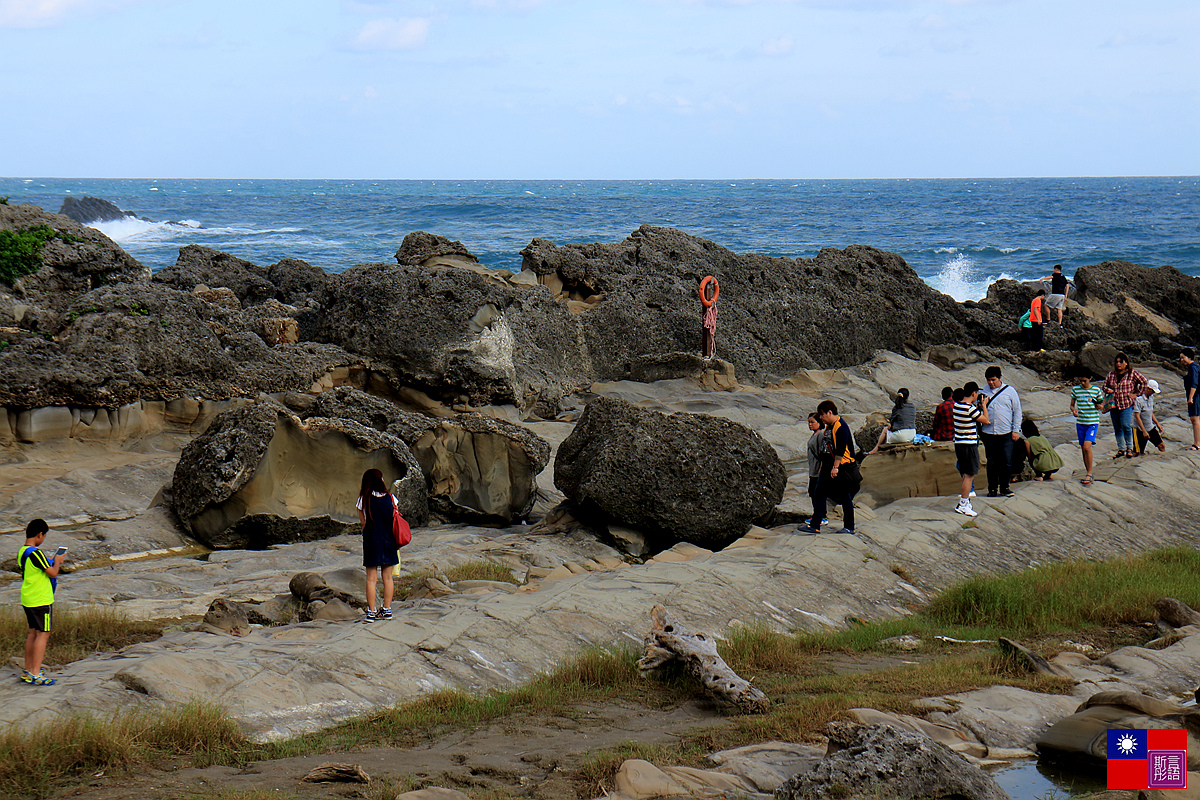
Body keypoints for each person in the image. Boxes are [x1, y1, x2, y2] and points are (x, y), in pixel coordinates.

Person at [800, 400, 860, 536]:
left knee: (844, 496)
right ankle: (815, 525)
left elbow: (841, 449)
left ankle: (849, 527)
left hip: (842, 466)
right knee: (819, 493)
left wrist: (836, 467)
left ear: (830, 413)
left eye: (822, 415)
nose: (821, 418)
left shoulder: (841, 426)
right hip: (828, 465)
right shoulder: (829, 426)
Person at [20, 518, 67, 685]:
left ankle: (27, 670)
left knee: (33, 633)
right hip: (40, 599)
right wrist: (58, 562)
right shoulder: (36, 553)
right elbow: (52, 573)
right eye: (44, 536)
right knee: (43, 634)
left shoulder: (22, 552)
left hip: (28, 598)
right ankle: (35, 673)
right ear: (40, 535)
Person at [357, 469, 400, 622]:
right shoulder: (392, 498)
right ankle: (387, 610)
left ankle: (371, 612)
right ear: (380, 480)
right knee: (388, 578)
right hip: (389, 541)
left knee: (371, 579)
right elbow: (395, 518)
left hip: (372, 541)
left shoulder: (364, 499)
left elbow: (363, 523)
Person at [980, 366, 1021, 498]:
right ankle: (992, 488)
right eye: (988, 380)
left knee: (1006, 461)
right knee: (991, 462)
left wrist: (1016, 430)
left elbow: (1017, 411)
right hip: (988, 432)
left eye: (993, 380)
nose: (991, 383)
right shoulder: (983, 391)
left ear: (1000, 378)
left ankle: (1005, 487)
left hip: (1006, 432)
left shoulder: (1010, 391)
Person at [1101, 353, 1148, 459]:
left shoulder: (1132, 374)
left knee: (1126, 426)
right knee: (1117, 427)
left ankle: (1129, 448)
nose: (1118, 364)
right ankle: (1121, 449)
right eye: (1116, 362)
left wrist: (1137, 394)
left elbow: (1144, 382)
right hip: (1114, 405)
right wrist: (1107, 389)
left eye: (1121, 362)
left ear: (1126, 363)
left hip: (1126, 404)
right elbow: (1104, 385)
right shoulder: (1111, 375)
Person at [952, 383, 989, 517]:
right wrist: (984, 406)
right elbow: (985, 420)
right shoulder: (970, 409)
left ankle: (965, 501)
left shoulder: (956, 406)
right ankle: (962, 504)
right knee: (969, 475)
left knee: (965, 473)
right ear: (974, 393)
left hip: (959, 444)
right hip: (969, 445)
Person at [1070, 372, 1105, 485]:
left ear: (1090, 378)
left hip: (1092, 422)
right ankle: (1088, 472)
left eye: (1084, 381)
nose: (1082, 383)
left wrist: (1099, 406)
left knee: (1087, 446)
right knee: (1083, 449)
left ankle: (1089, 473)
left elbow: (1101, 405)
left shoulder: (1096, 390)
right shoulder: (1076, 390)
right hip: (1080, 423)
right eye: (1080, 381)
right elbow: (1072, 405)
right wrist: (1074, 410)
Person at [865, 388, 916, 455]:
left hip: (902, 436)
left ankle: (876, 449)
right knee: (889, 432)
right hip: (912, 434)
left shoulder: (897, 407)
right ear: (907, 397)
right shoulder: (913, 407)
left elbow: (892, 422)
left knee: (886, 430)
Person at [803, 412, 828, 528]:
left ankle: (821, 516)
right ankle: (817, 514)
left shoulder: (820, 435)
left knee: (817, 493)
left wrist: (822, 467)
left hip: (818, 469)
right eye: (809, 422)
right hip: (813, 469)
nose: (810, 424)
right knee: (813, 492)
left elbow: (823, 452)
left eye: (812, 422)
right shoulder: (815, 434)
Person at [1132, 379, 1166, 455]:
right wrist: (1144, 431)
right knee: (1138, 452)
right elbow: (1137, 417)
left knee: (1161, 445)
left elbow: (1150, 412)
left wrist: (1157, 423)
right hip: (1139, 429)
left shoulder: (1151, 398)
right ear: (1148, 389)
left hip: (1149, 427)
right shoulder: (1138, 400)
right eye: (1152, 391)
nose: (1153, 393)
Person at [1181, 348, 1200, 451]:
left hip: (1195, 396)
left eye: (1183, 357)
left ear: (1189, 357)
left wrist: (1191, 397)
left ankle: (1197, 444)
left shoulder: (1193, 368)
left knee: (1195, 419)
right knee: (1196, 419)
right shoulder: (1193, 367)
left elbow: (1194, 383)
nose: (1181, 360)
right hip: (1196, 395)